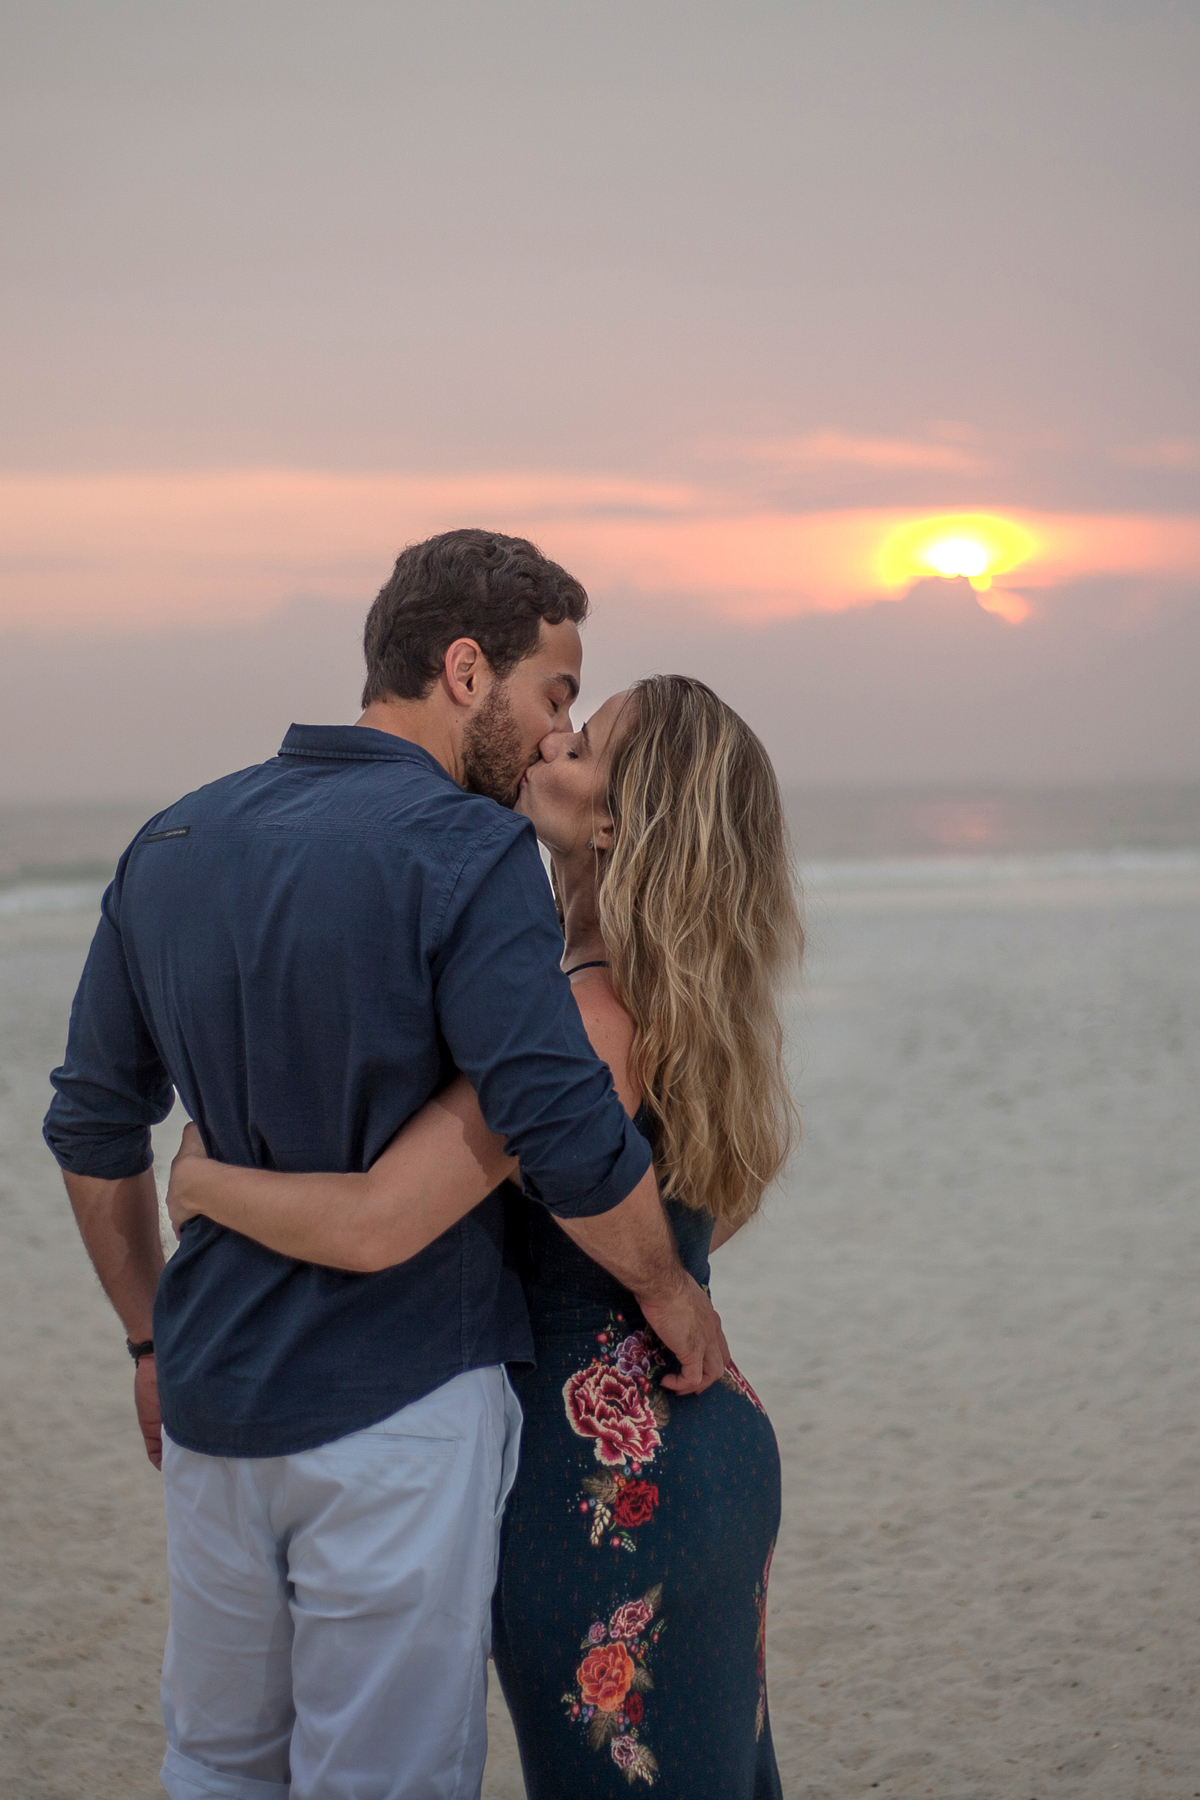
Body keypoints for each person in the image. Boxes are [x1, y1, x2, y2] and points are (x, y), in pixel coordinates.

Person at [43, 531, 726, 1800]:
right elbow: (563, 1126)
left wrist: (148, 1342)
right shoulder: (466, 853)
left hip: (212, 1409)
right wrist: (673, 1291)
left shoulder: (171, 842)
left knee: (214, 1763)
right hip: (403, 1405)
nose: (553, 734)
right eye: (553, 694)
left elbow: (91, 1130)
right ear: (467, 671)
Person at [168, 673, 803, 1798]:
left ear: (615, 820)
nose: (550, 741)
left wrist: (209, 1183)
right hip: (690, 1442)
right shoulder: (650, 999)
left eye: (584, 743)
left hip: (603, 1488)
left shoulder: (579, 1022)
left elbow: (376, 1222)